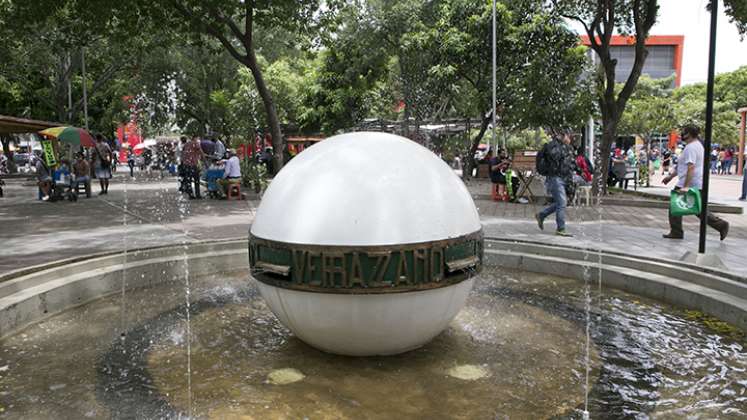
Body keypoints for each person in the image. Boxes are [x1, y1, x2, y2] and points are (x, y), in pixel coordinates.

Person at [662, 124, 729, 240]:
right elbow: (681, 166)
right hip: (694, 182)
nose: (681, 135)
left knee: (675, 208)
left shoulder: (691, 147)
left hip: (688, 183)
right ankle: (720, 225)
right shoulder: (695, 146)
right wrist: (670, 177)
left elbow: (690, 167)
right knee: (698, 210)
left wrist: (686, 187)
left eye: (683, 132)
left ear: (689, 134)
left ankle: (677, 232)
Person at [535, 132, 575, 236]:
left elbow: (569, 165)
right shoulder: (553, 145)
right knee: (562, 203)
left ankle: (541, 215)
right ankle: (560, 229)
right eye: (569, 135)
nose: (570, 138)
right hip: (554, 178)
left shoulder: (568, 148)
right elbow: (554, 157)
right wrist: (559, 143)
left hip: (563, 178)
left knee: (561, 203)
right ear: (563, 136)